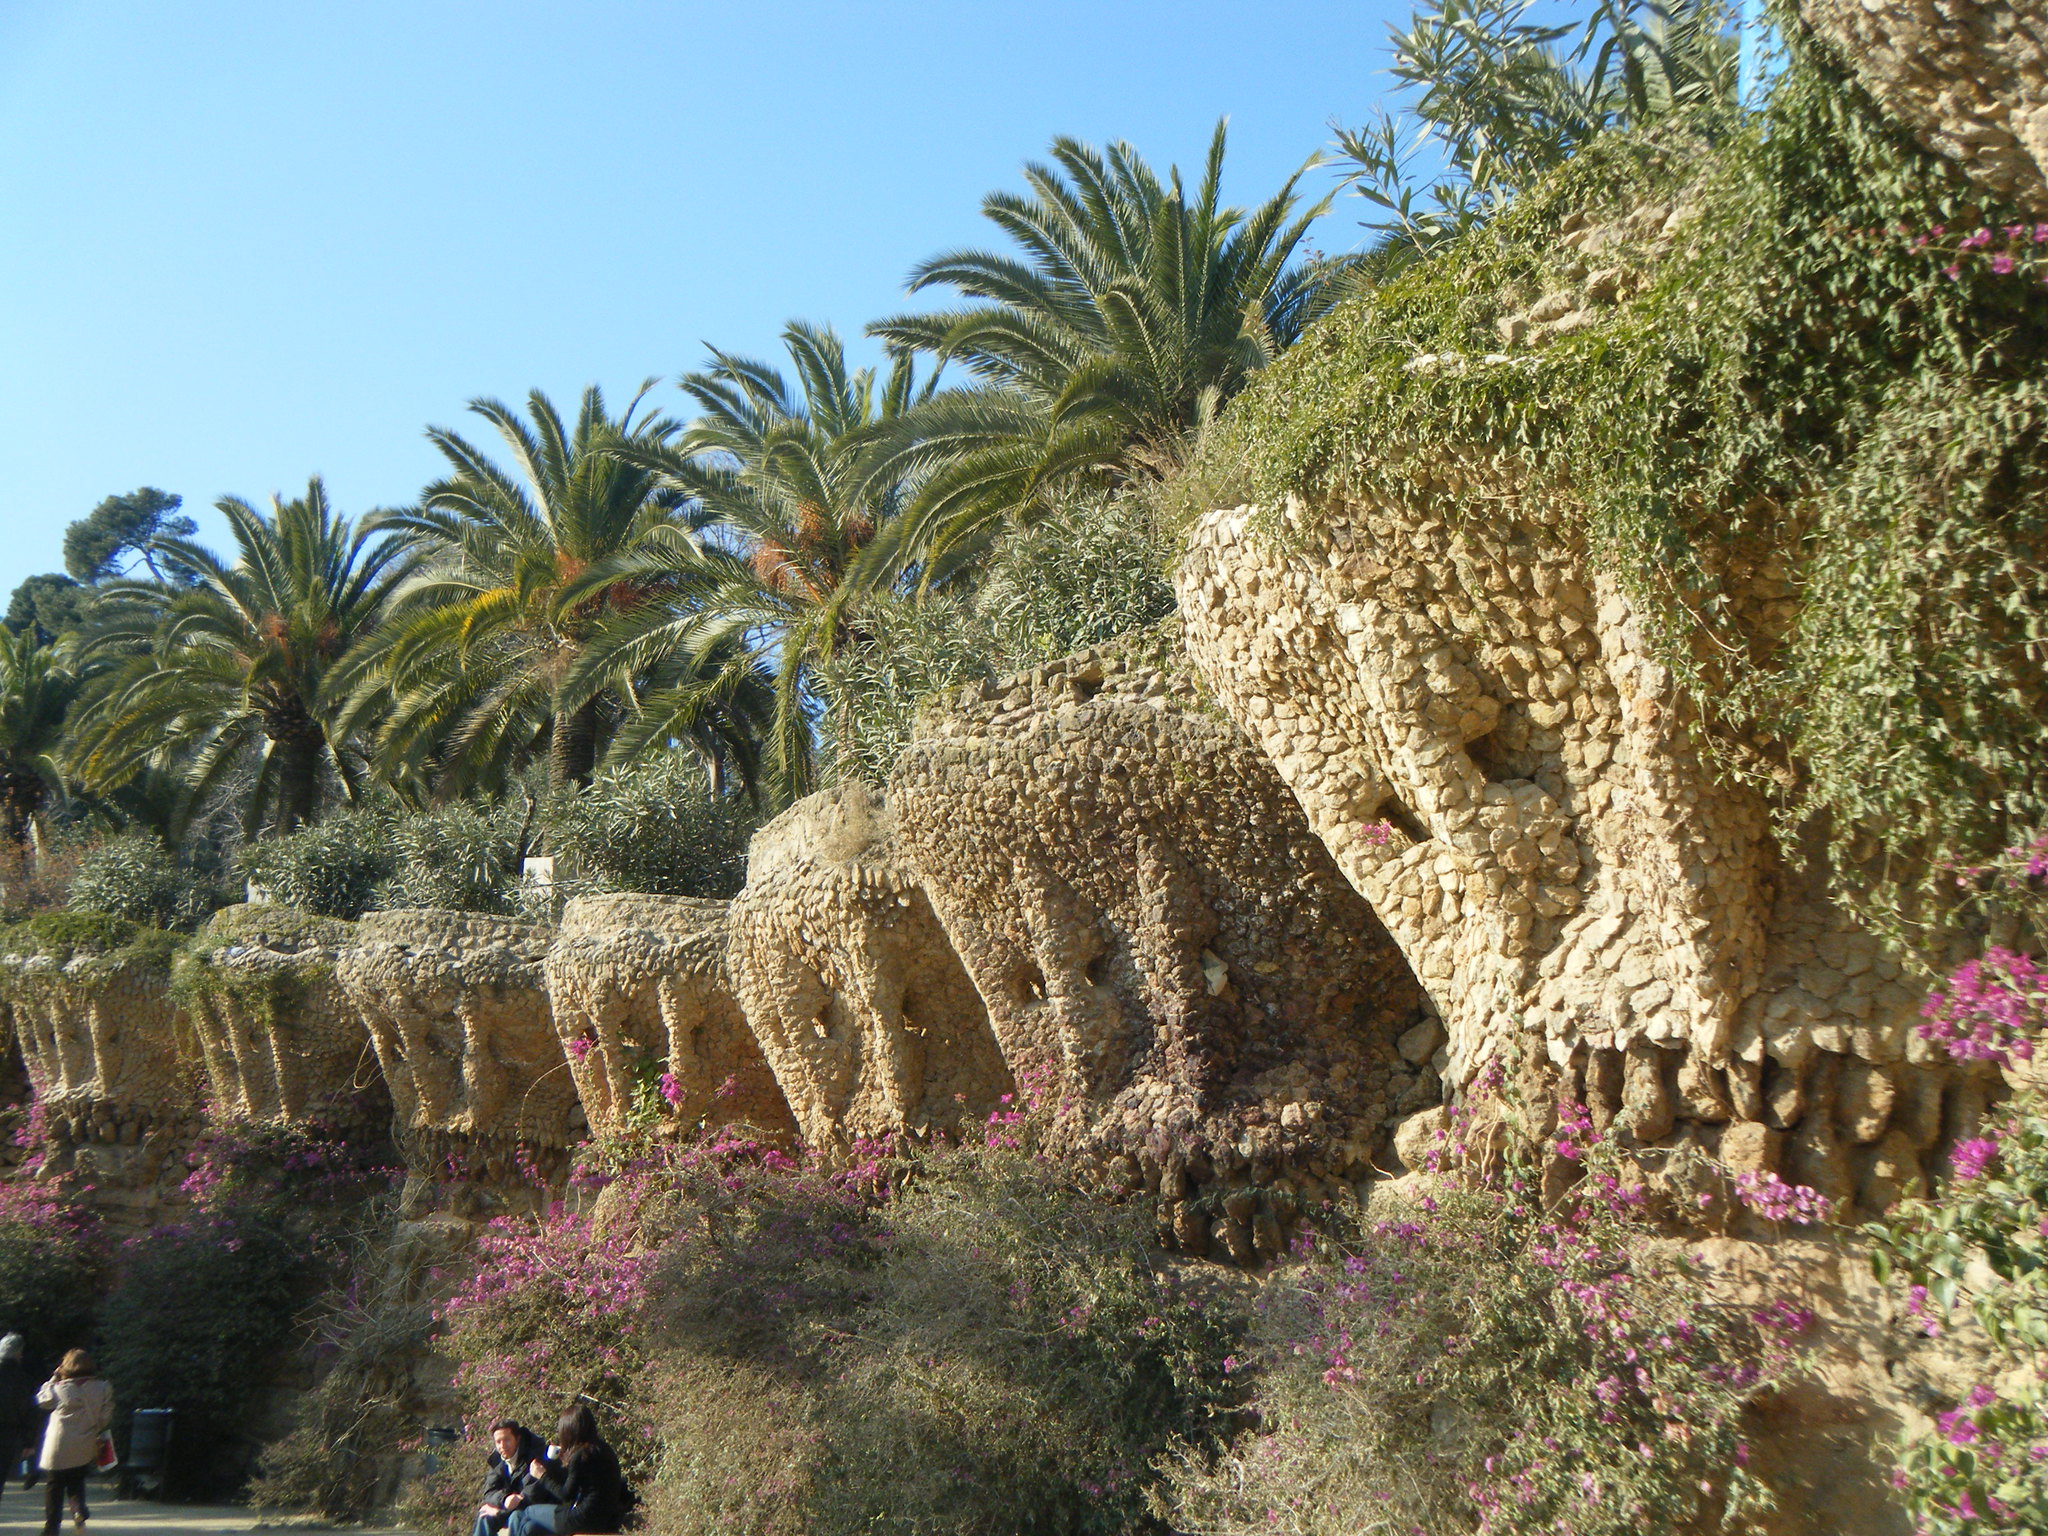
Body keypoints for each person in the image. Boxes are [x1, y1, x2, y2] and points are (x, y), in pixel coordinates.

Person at [506, 1405, 629, 1535]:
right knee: (528, 1528)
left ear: (568, 1430)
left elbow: (566, 1495)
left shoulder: (580, 1456)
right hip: (605, 1517)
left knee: (525, 1513)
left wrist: (542, 1475)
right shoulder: (604, 1449)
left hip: (583, 1518)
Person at [36, 1349, 111, 1536]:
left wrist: (53, 1378)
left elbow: (41, 1401)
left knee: (54, 1486)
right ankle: (78, 1511)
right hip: (84, 1444)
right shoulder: (103, 1388)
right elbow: (105, 1417)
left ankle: (51, 1527)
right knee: (76, 1481)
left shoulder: (58, 1388)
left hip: (58, 1445)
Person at [472, 1419, 552, 1536]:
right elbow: (489, 1493)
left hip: (534, 1511)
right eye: (498, 1442)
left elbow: (530, 1497)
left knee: (516, 1517)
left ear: (518, 1439)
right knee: (484, 1516)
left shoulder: (535, 1457)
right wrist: (504, 1499)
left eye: (507, 1440)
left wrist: (499, 1512)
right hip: (508, 1509)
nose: (502, 1446)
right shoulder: (497, 1461)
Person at [0, 1335, 34, 1501]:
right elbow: (27, 1411)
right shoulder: (22, 1380)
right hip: (8, 1433)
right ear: (18, 1354)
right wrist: (28, 1441)